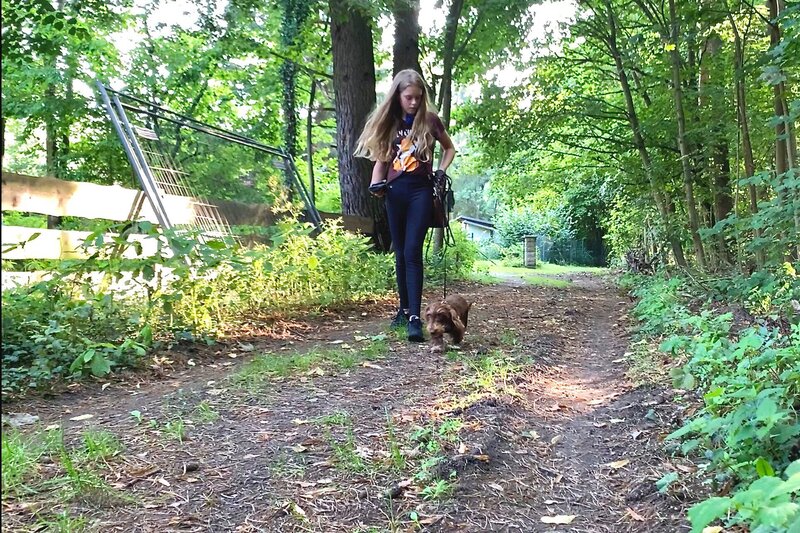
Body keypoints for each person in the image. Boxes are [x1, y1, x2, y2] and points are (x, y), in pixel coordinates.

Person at [355, 69, 456, 342]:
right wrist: (375, 184)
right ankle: (403, 310)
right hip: (394, 193)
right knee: (399, 252)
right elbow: (382, 160)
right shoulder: (390, 122)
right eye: (408, 97)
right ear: (398, 96)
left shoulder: (430, 121)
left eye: (418, 97)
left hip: (420, 192)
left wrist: (441, 171)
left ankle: (414, 318)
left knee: (412, 251)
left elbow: (449, 148)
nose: (413, 102)